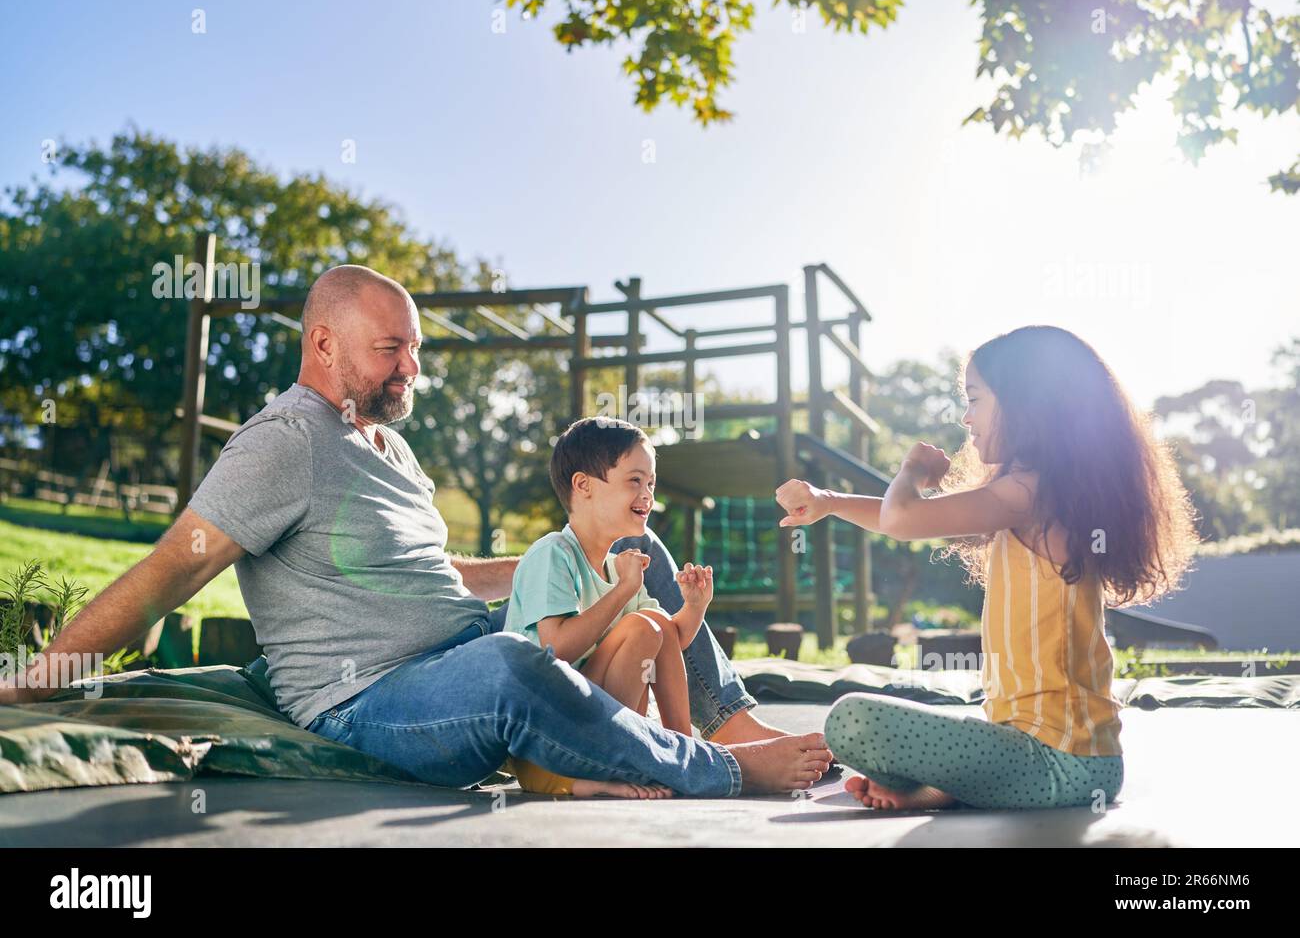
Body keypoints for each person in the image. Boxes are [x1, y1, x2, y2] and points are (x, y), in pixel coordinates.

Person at [0, 264, 831, 798]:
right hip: (371, 696)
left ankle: (735, 723)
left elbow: (440, 573)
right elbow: (167, 574)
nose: (413, 369)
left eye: (417, 349)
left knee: (640, 557)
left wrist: (563, 561)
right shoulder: (283, 444)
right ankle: (717, 770)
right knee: (515, 663)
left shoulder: (389, 446)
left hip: (464, 642)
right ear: (323, 344)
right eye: (392, 348)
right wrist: (42, 675)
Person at [776, 325, 1197, 810]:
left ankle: (948, 786)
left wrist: (911, 471)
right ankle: (941, 791)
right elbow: (908, 518)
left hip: (1061, 759)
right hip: (1040, 753)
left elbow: (903, 518)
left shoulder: (1027, 494)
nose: (966, 417)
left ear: (1026, 406)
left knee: (851, 720)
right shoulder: (1029, 495)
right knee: (890, 724)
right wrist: (830, 501)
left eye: (975, 399)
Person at [500, 417, 715, 797]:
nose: (647, 494)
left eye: (651, 482)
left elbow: (670, 641)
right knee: (642, 625)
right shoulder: (552, 554)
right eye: (634, 480)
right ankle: (643, 758)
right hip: (549, 738)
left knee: (654, 623)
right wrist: (623, 590)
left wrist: (695, 606)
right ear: (583, 486)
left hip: (589, 727)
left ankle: (684, 750)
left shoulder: (620, 567)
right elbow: (557, 649)